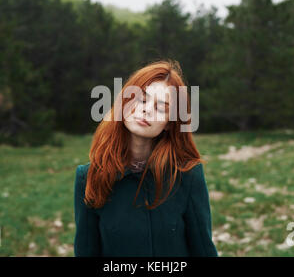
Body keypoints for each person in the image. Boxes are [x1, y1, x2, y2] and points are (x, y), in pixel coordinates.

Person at [74, 59, 218, 257]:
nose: (146, 109)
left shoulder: (187, 175)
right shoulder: (89, 176)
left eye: (161, 107)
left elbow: (204, 251)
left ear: (169, 123)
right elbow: (86, 251)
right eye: (141, 99)